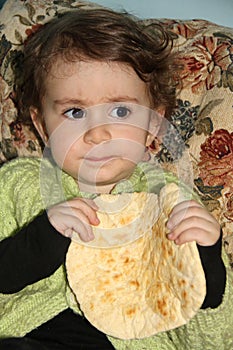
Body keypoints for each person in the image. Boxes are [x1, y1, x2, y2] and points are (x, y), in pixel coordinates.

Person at [0, 7, 232, 350]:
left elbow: (213, 341)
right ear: (42, 126)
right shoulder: (18, 184)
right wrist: (39, 241)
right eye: (74, 112)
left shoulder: (171, 203)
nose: (98, 133)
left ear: (154, 124)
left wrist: (208, 266)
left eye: (121, 110)